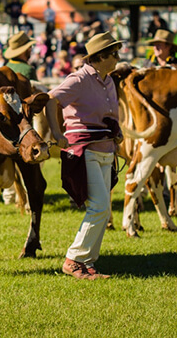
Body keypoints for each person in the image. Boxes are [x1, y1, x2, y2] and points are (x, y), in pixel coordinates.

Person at [46, 32, 123, 280]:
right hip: (84, 151)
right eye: (113, 54)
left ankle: (87, 262)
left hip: (105, 150)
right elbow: (50, 100)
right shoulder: (78, 79)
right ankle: (74, 260)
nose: (118, 57)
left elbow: (109, 114)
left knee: (102, 208)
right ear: (100, 57)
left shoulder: (108, 80)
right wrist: (57, 133)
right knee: (99, 208)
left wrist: (117, 132)